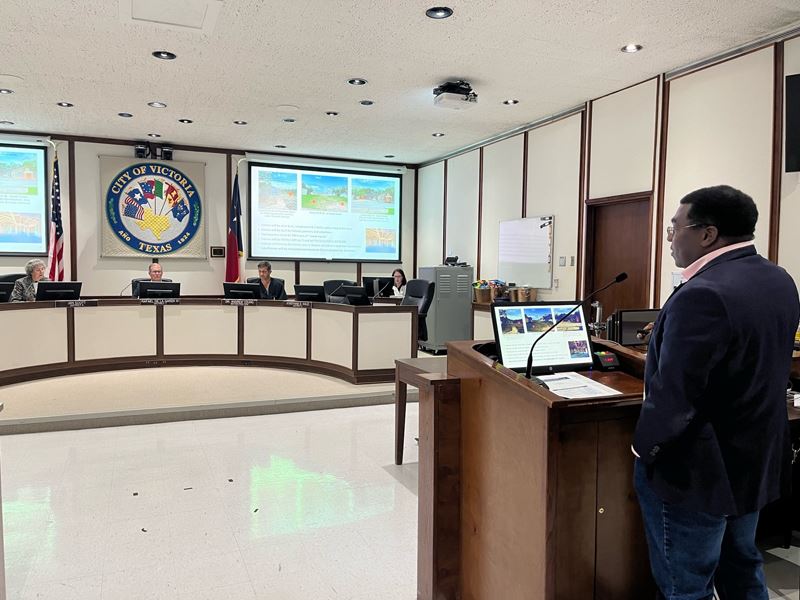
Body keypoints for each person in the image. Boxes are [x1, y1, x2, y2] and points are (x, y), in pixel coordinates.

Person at [632, 185, 799, 600]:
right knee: (742, 567)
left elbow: (676, 396)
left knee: (686, 584)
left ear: (707, 235)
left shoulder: (702, 293)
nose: (670, 238)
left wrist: (644, 450)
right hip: (753, 459)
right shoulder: (777, 278)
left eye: (674, 228)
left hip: (697, 469)